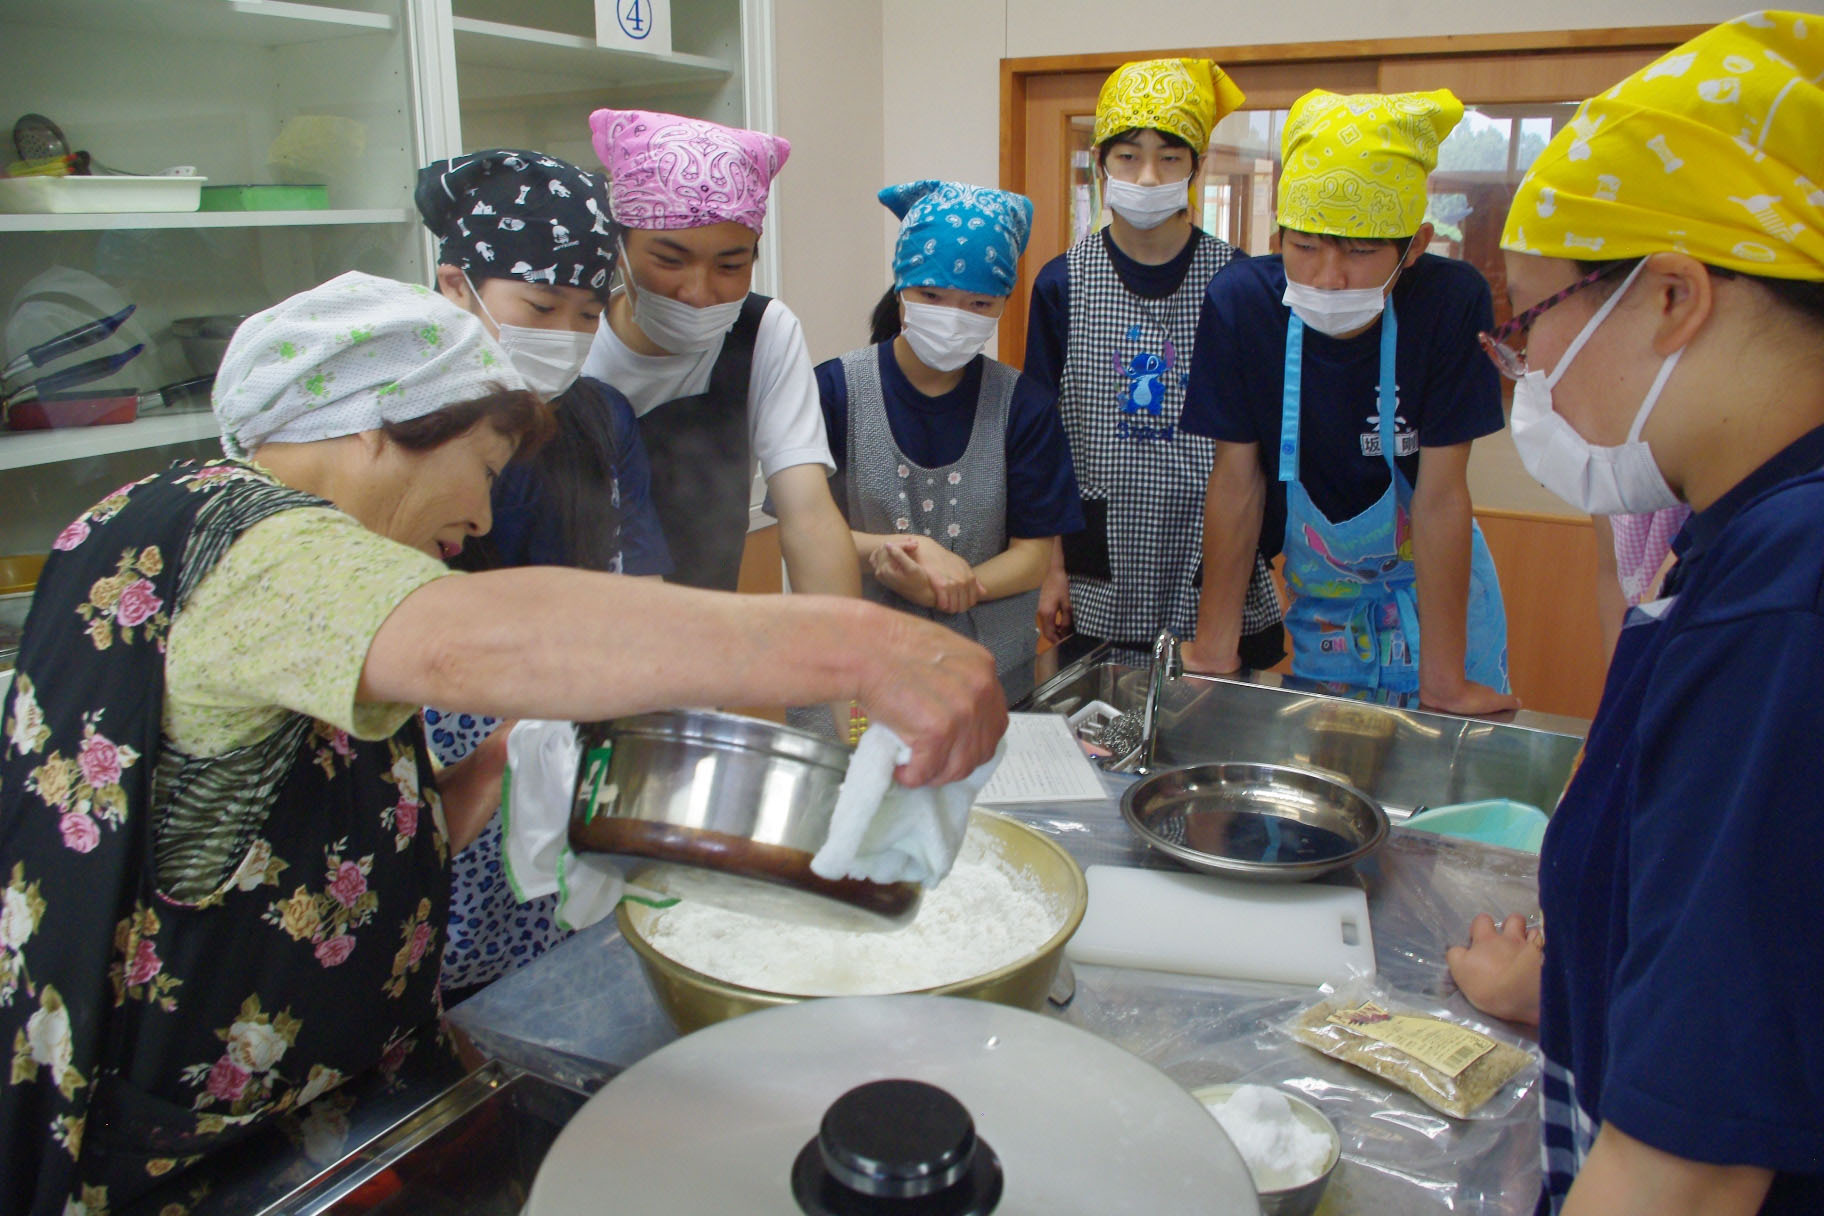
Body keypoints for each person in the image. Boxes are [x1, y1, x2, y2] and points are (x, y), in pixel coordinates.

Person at [0, 273, 1004, 1214]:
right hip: (203, 1160)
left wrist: (499, 768)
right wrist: (856, 644)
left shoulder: (285, 586)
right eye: (479, 466)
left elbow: (291, 834)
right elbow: (462, 638)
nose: (480, 515)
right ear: (379, 426)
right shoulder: (240, 534)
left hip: (330, 1111)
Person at [1444, 13, 1824, 1211]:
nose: (1528, 371)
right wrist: (1570, 993)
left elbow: (1692, 1167)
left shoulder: (1785, 600)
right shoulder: (1742, 533)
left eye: (1532, 318)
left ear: (1670, 296)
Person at [415, 148, 670, 1004]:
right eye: (539, 306)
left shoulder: (600, 422)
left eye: (587, 311)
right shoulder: (407, 433)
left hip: (581, 712)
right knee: (460, 976)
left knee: (572, 964)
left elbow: (643, 593)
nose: (564, 333)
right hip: (456, 747)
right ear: (457, 287)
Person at [1180, 89, 1518, 714]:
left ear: (1415, 246)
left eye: (1360, 252)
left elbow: (1442, 495)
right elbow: (1238, 480)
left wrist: (1444, 682)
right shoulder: (1242, 303)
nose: (1327, 277)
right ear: (1278, 232)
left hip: (1439, 604)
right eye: (1304, 247)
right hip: (1328, 607)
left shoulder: (1450, 303)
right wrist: (1213, 647)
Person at [1024, 58, 1284, 665]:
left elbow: (1272, 437)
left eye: (1169, 156)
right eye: (1127, 155)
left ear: (1195, 166)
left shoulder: (1239, 283)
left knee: (1206, 731)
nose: (1147, 175)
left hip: (1210, 555)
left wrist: (1277, 549)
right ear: (1100, 164)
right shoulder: (1063, 283)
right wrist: (1051, 565)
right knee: (1097, 733)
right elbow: (1042, 442)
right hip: (1099, 560)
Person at [581, 108, 858, 601]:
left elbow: (809, 516)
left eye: (730, 265)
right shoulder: (568, 341)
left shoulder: (763, 333)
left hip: (706, 630)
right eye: (669, 260)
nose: (699, 292)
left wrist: (848, 657)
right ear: (617, 246)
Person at [816, 181, 1083, 676]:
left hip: (986, 669)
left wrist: (958, 587)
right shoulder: (835, 390)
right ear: (901, 289)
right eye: (932, 296)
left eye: (979, 304)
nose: (953, 319)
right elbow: (806, 529)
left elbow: (1031, 556)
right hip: (853, 666)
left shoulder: (1023, 406)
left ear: (1003, 302)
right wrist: (909, 554)